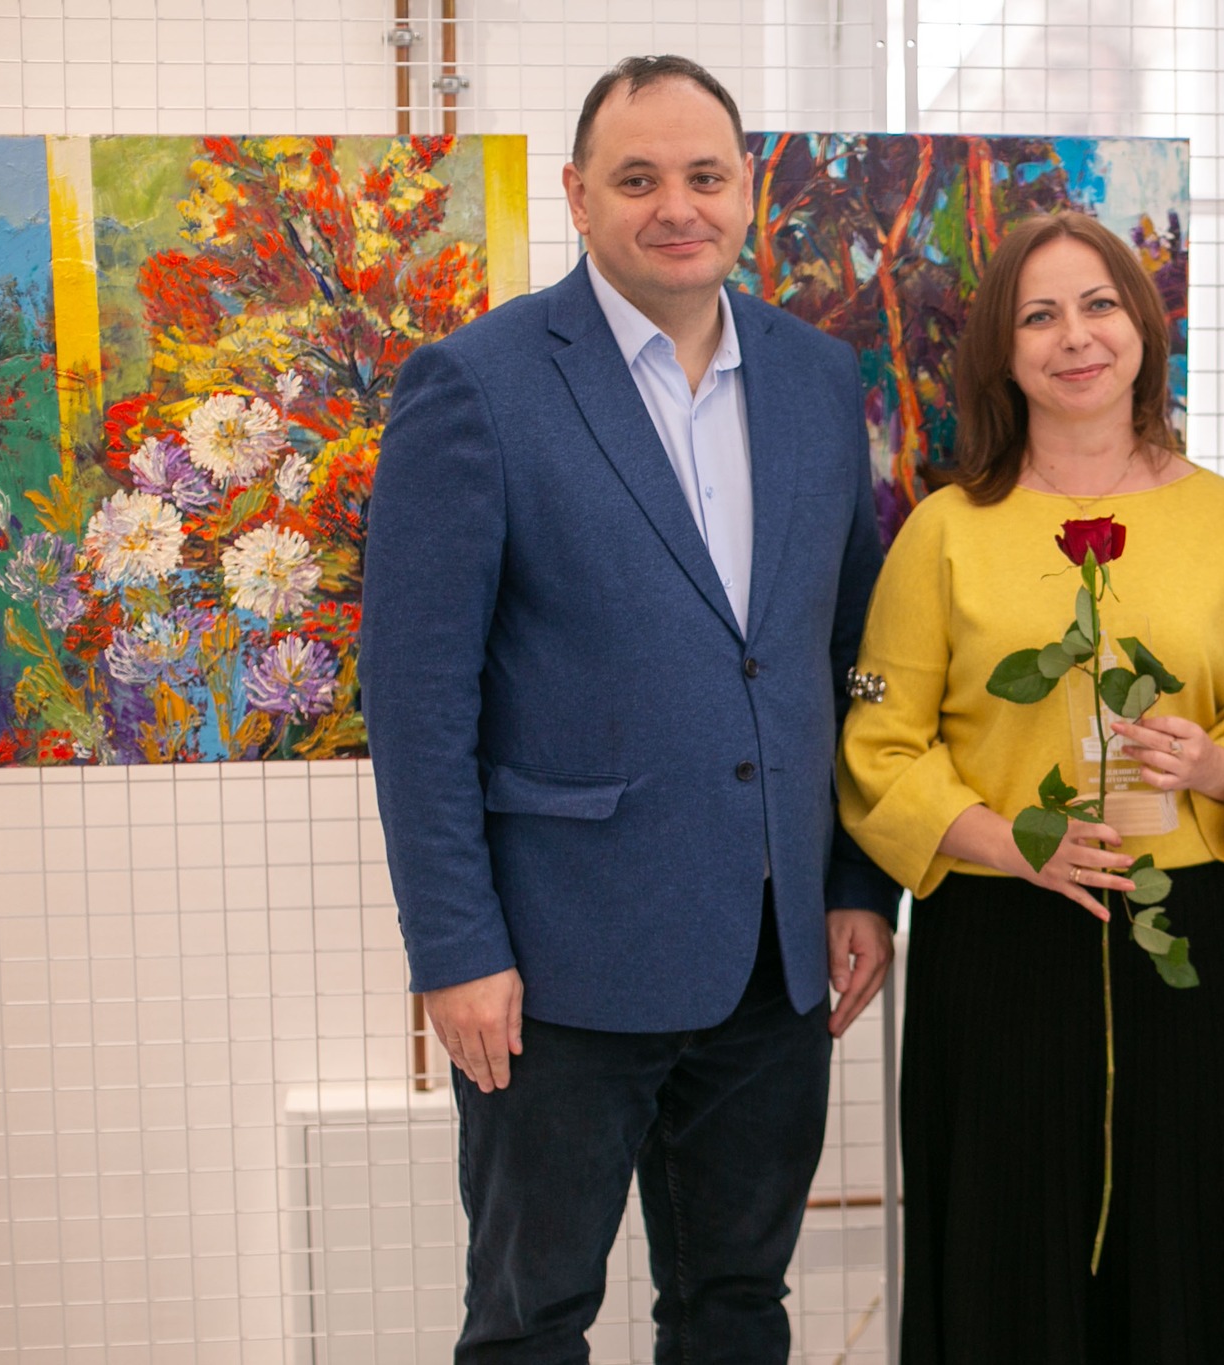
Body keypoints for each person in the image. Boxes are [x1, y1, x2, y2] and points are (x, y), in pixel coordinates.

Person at [357, 55, 898, 1363]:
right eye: (638, 178)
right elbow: (416, 699)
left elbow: (845, 649)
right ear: (578, 196)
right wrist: (454, 949)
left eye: (704, 176)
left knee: (736, 1306)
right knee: (531, 1319)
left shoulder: (819, 380)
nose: (677, 206)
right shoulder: (476, 385)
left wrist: (854, 884)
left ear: (746, 190)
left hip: (773, 959)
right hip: (556, 969)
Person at [839, 211, 1224, 1365]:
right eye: (1037, 316)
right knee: (1006, 1252)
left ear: (1142, 327)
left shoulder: (1221, 518)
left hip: (1175, 936)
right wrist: (1007, 842)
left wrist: (1215, 765)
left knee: (1185, 1247)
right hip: (994, 943)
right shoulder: (945, 532)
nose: (1074, 336)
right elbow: (879, 747)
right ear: (1002, 353)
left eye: (1098, 305)